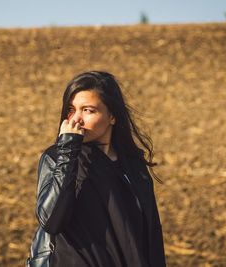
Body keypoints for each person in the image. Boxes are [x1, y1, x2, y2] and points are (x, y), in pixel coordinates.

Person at [26, 71, 166, 267]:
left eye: (88, 110)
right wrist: (68, 151)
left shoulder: (134, 166)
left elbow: (151, 236)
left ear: (112, 116)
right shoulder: (57, 158)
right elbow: (51, 221)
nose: (77, 119)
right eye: (71, 109)